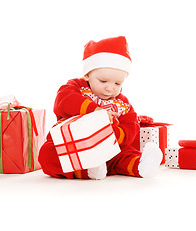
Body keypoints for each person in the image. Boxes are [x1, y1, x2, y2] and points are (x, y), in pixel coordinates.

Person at [38, 36, 162, 180]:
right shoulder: (77, 87)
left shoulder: (122, 103)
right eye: (103, 81)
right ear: (87, 74)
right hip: (74, 144)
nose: (110, 88)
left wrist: (111, 134)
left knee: (123, 152)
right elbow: (64, 99)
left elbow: (131, 126)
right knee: (48, 154)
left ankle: (140, 165)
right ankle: (88, 169)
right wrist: (96, 112)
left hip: (108, 147)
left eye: (117, 84)